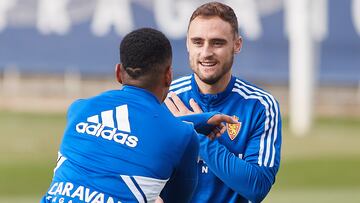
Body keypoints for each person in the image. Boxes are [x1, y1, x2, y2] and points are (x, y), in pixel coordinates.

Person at [40, 27, 236, 203]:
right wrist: (191, 126)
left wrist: (195, 122)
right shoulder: (183, 137)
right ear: (168, 76)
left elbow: (135, 128)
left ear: (118, 73)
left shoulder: (79, 109)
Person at [165, 2, 282, 203]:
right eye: (197, 42)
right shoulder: (166, 98)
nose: (206, 52)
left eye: (217, 43)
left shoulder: (260, 106)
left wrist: (192, 134)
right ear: (187, 44)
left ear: (237, 44)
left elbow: (257, 186)